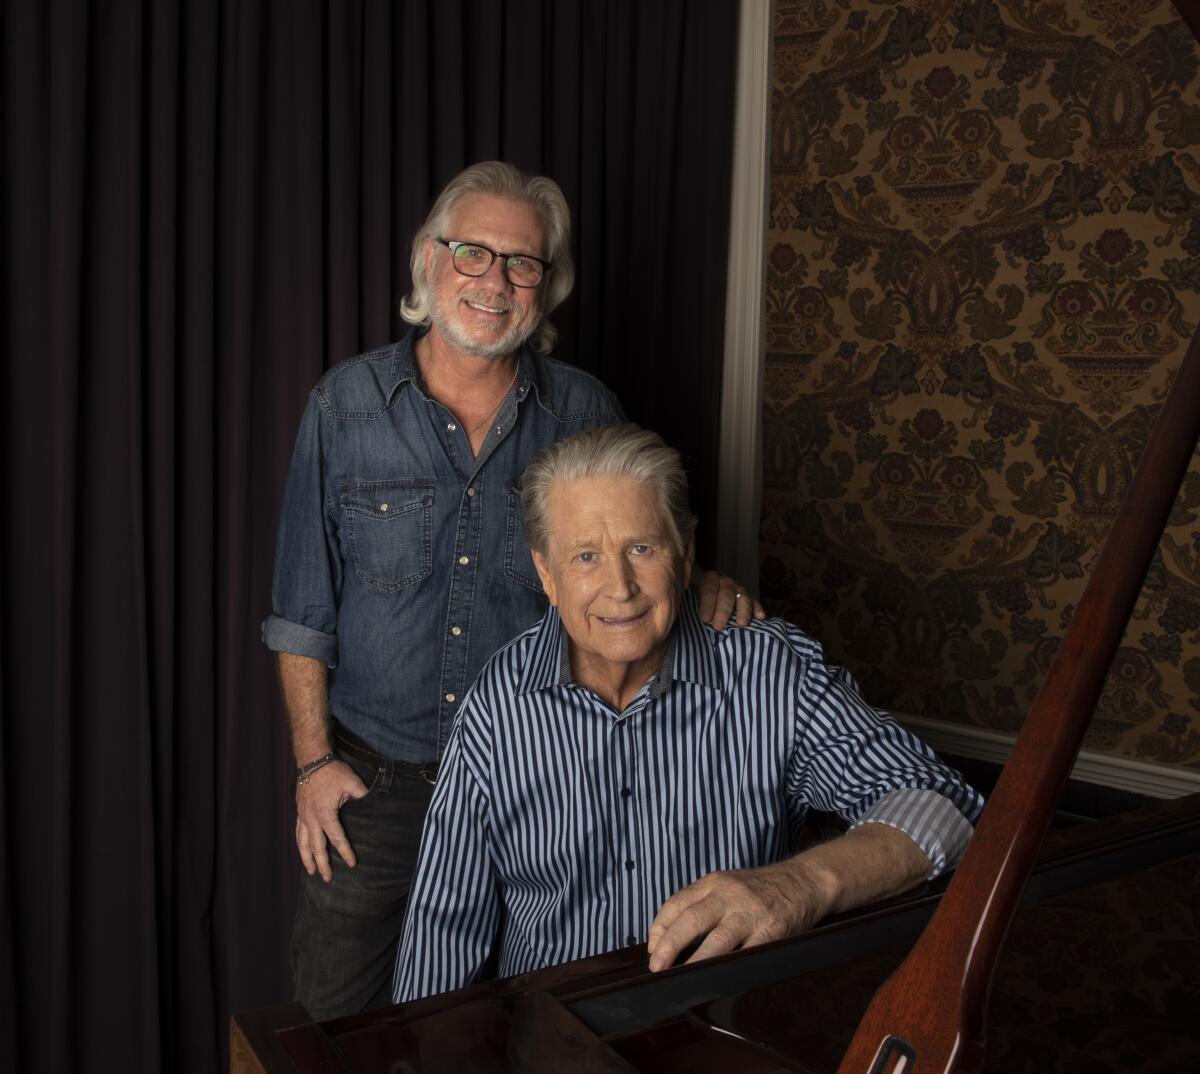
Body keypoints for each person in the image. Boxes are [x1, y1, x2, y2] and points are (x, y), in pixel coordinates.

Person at [263, 163, 761, 1019]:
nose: (494, 281)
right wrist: (314, 763)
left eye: (522, 263)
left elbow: (631, 543)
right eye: (473, 253)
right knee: (336, 1029)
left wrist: (695, 577)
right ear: (430, 260)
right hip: (377, 792)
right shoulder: (344, 407)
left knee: (528, 1019)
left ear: (546, 286)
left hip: (543, 780)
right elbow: (302, 612)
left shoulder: (586, 411)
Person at [392, 424, 984, 1002]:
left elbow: (942, 803)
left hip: (727, 1028)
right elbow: (446, 923)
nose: (619, 587)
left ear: (685, 554)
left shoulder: (770, 672)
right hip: (552, 1037)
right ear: (546, 573)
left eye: (641, 548)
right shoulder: (499, 703)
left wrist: (799, 883)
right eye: (587, 556)